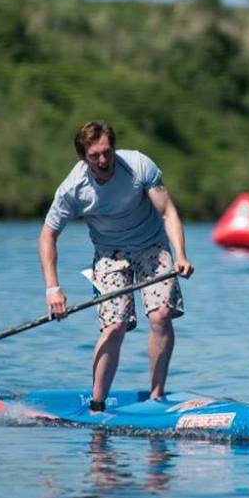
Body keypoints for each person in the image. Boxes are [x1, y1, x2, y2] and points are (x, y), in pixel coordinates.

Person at [39, 121, 194, 413]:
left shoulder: (138, 166)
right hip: (109, 255)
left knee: (161, 315)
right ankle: (97, 405)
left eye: (107, 152)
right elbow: (47, 236)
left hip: (151, 245)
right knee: (115, 327)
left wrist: (181, 255)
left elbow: (167, 212)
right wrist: (53, 289)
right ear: (83, 157)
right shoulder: (73, 189)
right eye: (94, 155)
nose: (103, 160)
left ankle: (156, 399)